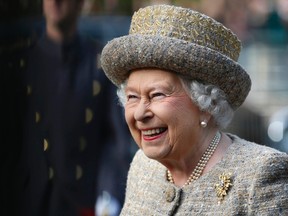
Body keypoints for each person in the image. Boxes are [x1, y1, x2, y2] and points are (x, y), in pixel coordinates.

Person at [100, 4, 288, 215]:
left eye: (157, 95)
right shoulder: (143, 167)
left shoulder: (260, 176)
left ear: (207, 104)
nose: (139, 113)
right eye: (133, 97)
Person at [17, 0, 131, 215]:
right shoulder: (22, 64)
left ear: (80, 4)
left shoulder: (98, 64)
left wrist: (108, 196)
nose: (55, 2)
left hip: (83, 202)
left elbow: (116, 142)